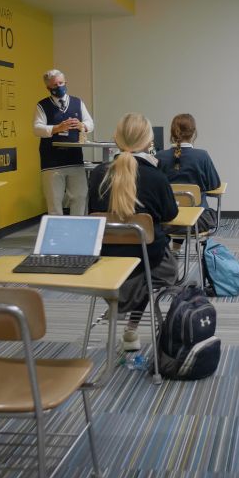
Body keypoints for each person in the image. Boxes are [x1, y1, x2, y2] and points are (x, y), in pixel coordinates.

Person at [88, 114, 179, 351]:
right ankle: (131, 327)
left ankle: (120, 302)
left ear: (116, 139)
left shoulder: (98, 174)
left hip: (105, 265)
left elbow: (92, 213)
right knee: (160, 270)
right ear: (149, 141)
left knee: (139, 269)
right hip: (150, 263)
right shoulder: (156, 177)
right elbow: (171, 215)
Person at [33, 69, 94, 216]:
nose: (59, 86)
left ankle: (77, 230)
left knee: (80, 196)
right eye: (55, 85)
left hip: (75, 159)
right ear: (48, 88)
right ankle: (57, 235)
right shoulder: (42, 105)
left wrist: (82, 126)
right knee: (55, 200)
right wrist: (57, 128)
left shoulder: (77, 102)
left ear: (66, 82)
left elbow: (90, 123)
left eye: (61, 83)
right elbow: (37, 129)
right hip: (52, 162)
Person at [156, 113, 221, 232]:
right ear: (194, 133)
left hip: (167, 221)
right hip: (197, 221)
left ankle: (175, 248)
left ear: (172, 133)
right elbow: (214, 184)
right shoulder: (202, 156)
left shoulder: (160, 157)